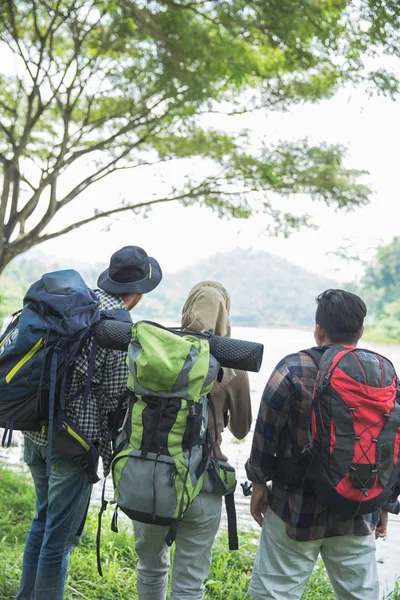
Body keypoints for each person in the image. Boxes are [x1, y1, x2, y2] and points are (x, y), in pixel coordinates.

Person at [17, 245, 162, 600]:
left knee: (42, 519)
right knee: (58, 540)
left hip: (35, 429)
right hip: (72, 443)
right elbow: (114, 395)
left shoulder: (75, 303)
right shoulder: (116, 326)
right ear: (138, 293)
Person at [245, 288, 399, 600]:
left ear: (319, 330)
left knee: (275, 592)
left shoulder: (292, 368)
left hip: (295, 507)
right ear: (361, 331)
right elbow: (390, 446)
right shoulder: (384, 377)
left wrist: (259, 483)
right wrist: (385, 502)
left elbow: (265, 432)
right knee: (361, 595)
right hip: (357, 508)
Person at [133, 281, 252, 600]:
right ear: (225, 313)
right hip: (204, 480)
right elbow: (242, 430)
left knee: (150, 568)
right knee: (189, 582)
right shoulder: (235, 366)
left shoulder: (155, 355)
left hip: (152, 474)